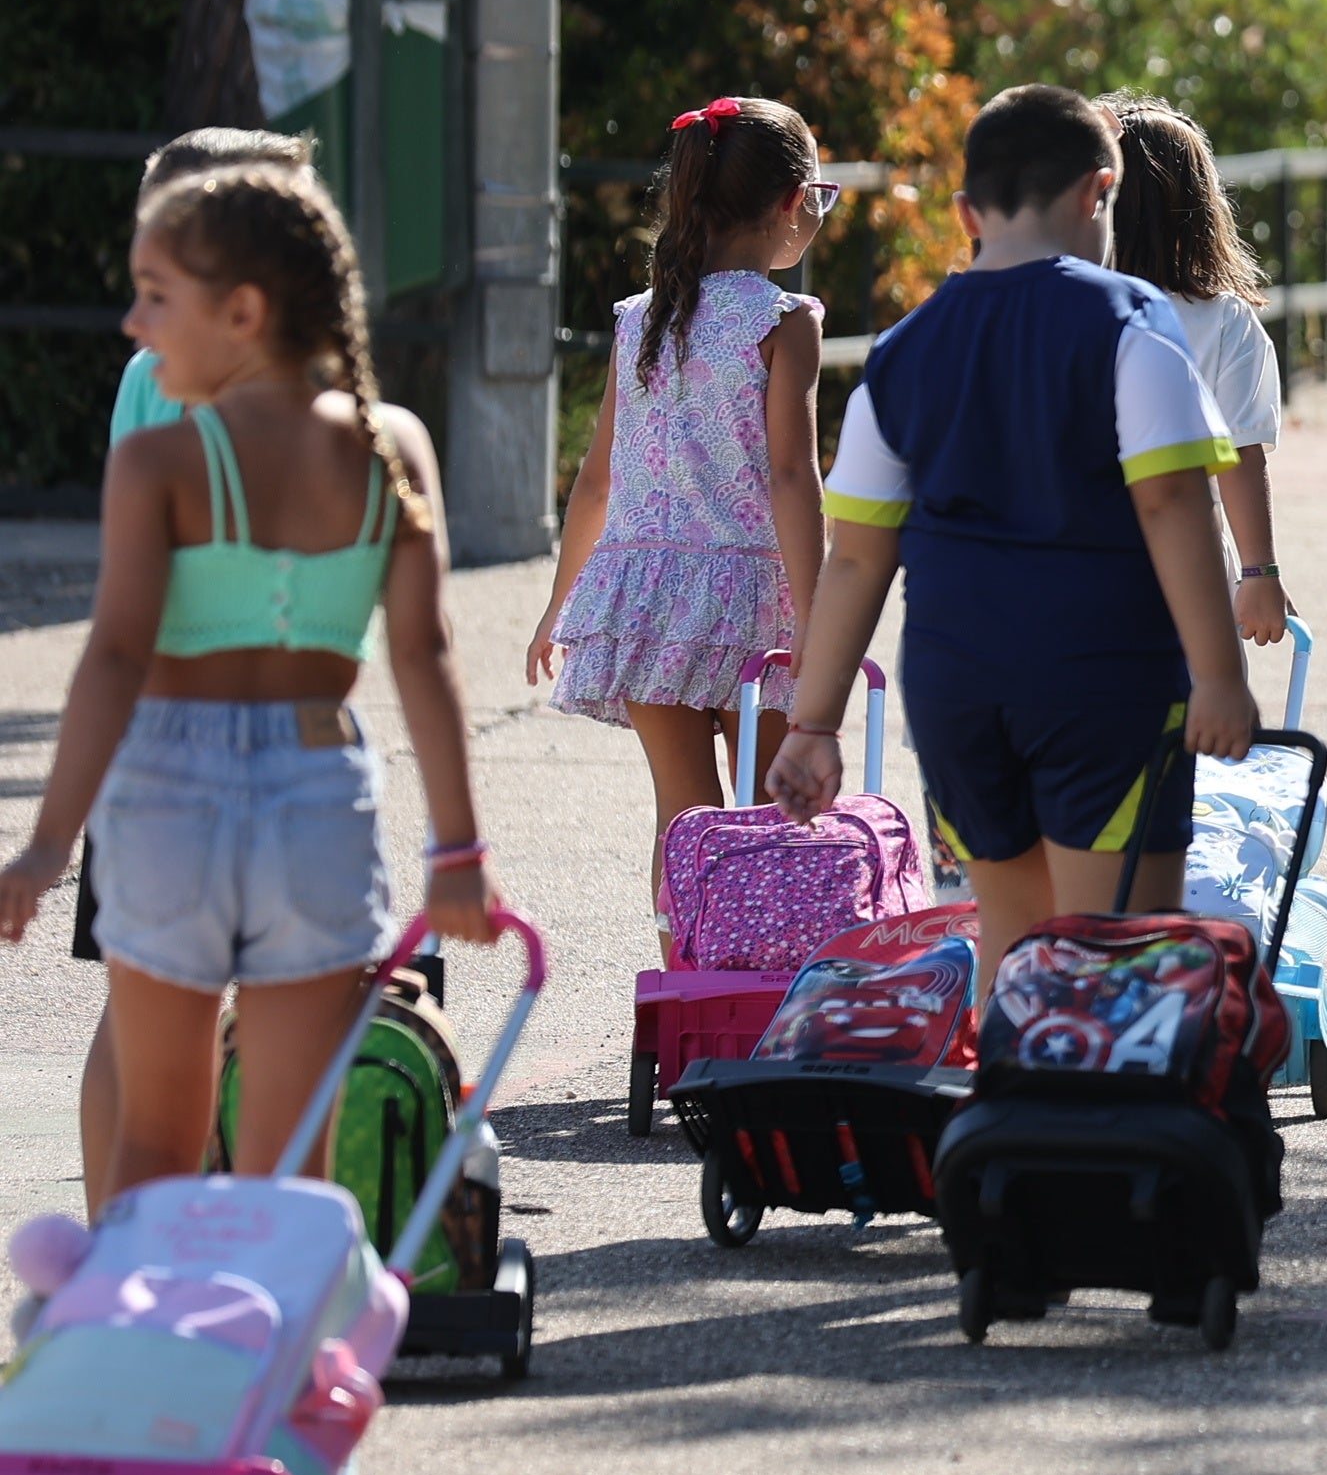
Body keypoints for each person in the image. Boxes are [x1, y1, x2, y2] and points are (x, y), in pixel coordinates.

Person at [0, 166, 499, 1213]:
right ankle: (282, 1322)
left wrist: (48, 845)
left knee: (154, 1139)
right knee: (291, 1158)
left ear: (242, 312)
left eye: (155, 295)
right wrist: (457, 849)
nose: (135, 323)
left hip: (165, 797)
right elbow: (424, 654)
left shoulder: (158, 460)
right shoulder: (392, 445)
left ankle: (146, 1317)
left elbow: (115, 658)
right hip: (318, 793)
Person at [764, 85, 1261, 988]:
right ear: (1099, 192)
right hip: (1104, 684)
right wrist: (1220, 676)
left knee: (1013, 939)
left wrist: (814, 723)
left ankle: (1007, 1081)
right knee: (1114, 952)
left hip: (958, 692)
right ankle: (1095, 1085)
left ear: (967, 213)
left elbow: (856, 557)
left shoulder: (901, 353)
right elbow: (1172, 507)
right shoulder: (1132, 320)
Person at [61, 129, 313, 1218]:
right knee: (257, 1013)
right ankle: (237, 1245)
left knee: (142, 1008)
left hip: (150, 732)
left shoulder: (144, 375)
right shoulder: (276, 381)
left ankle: (114, 1237)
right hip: (236, 737)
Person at [528, 96, 830, 920]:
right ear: (791, 202)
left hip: (645, 600)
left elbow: (597, 481)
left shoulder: (642, 319)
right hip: (751, 603)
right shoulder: (783, 321)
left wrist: (560, 603)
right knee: (770, 813)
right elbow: (792, 477)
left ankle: (682, 973)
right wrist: (817, 616)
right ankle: (760, 977)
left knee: (682, 815)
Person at [1105, 98, 1293, 650]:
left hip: (1077, 551)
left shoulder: (1065, 308)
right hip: (1191, 562)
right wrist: (1259, 572)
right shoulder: (1224, 320)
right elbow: (1240, 451)